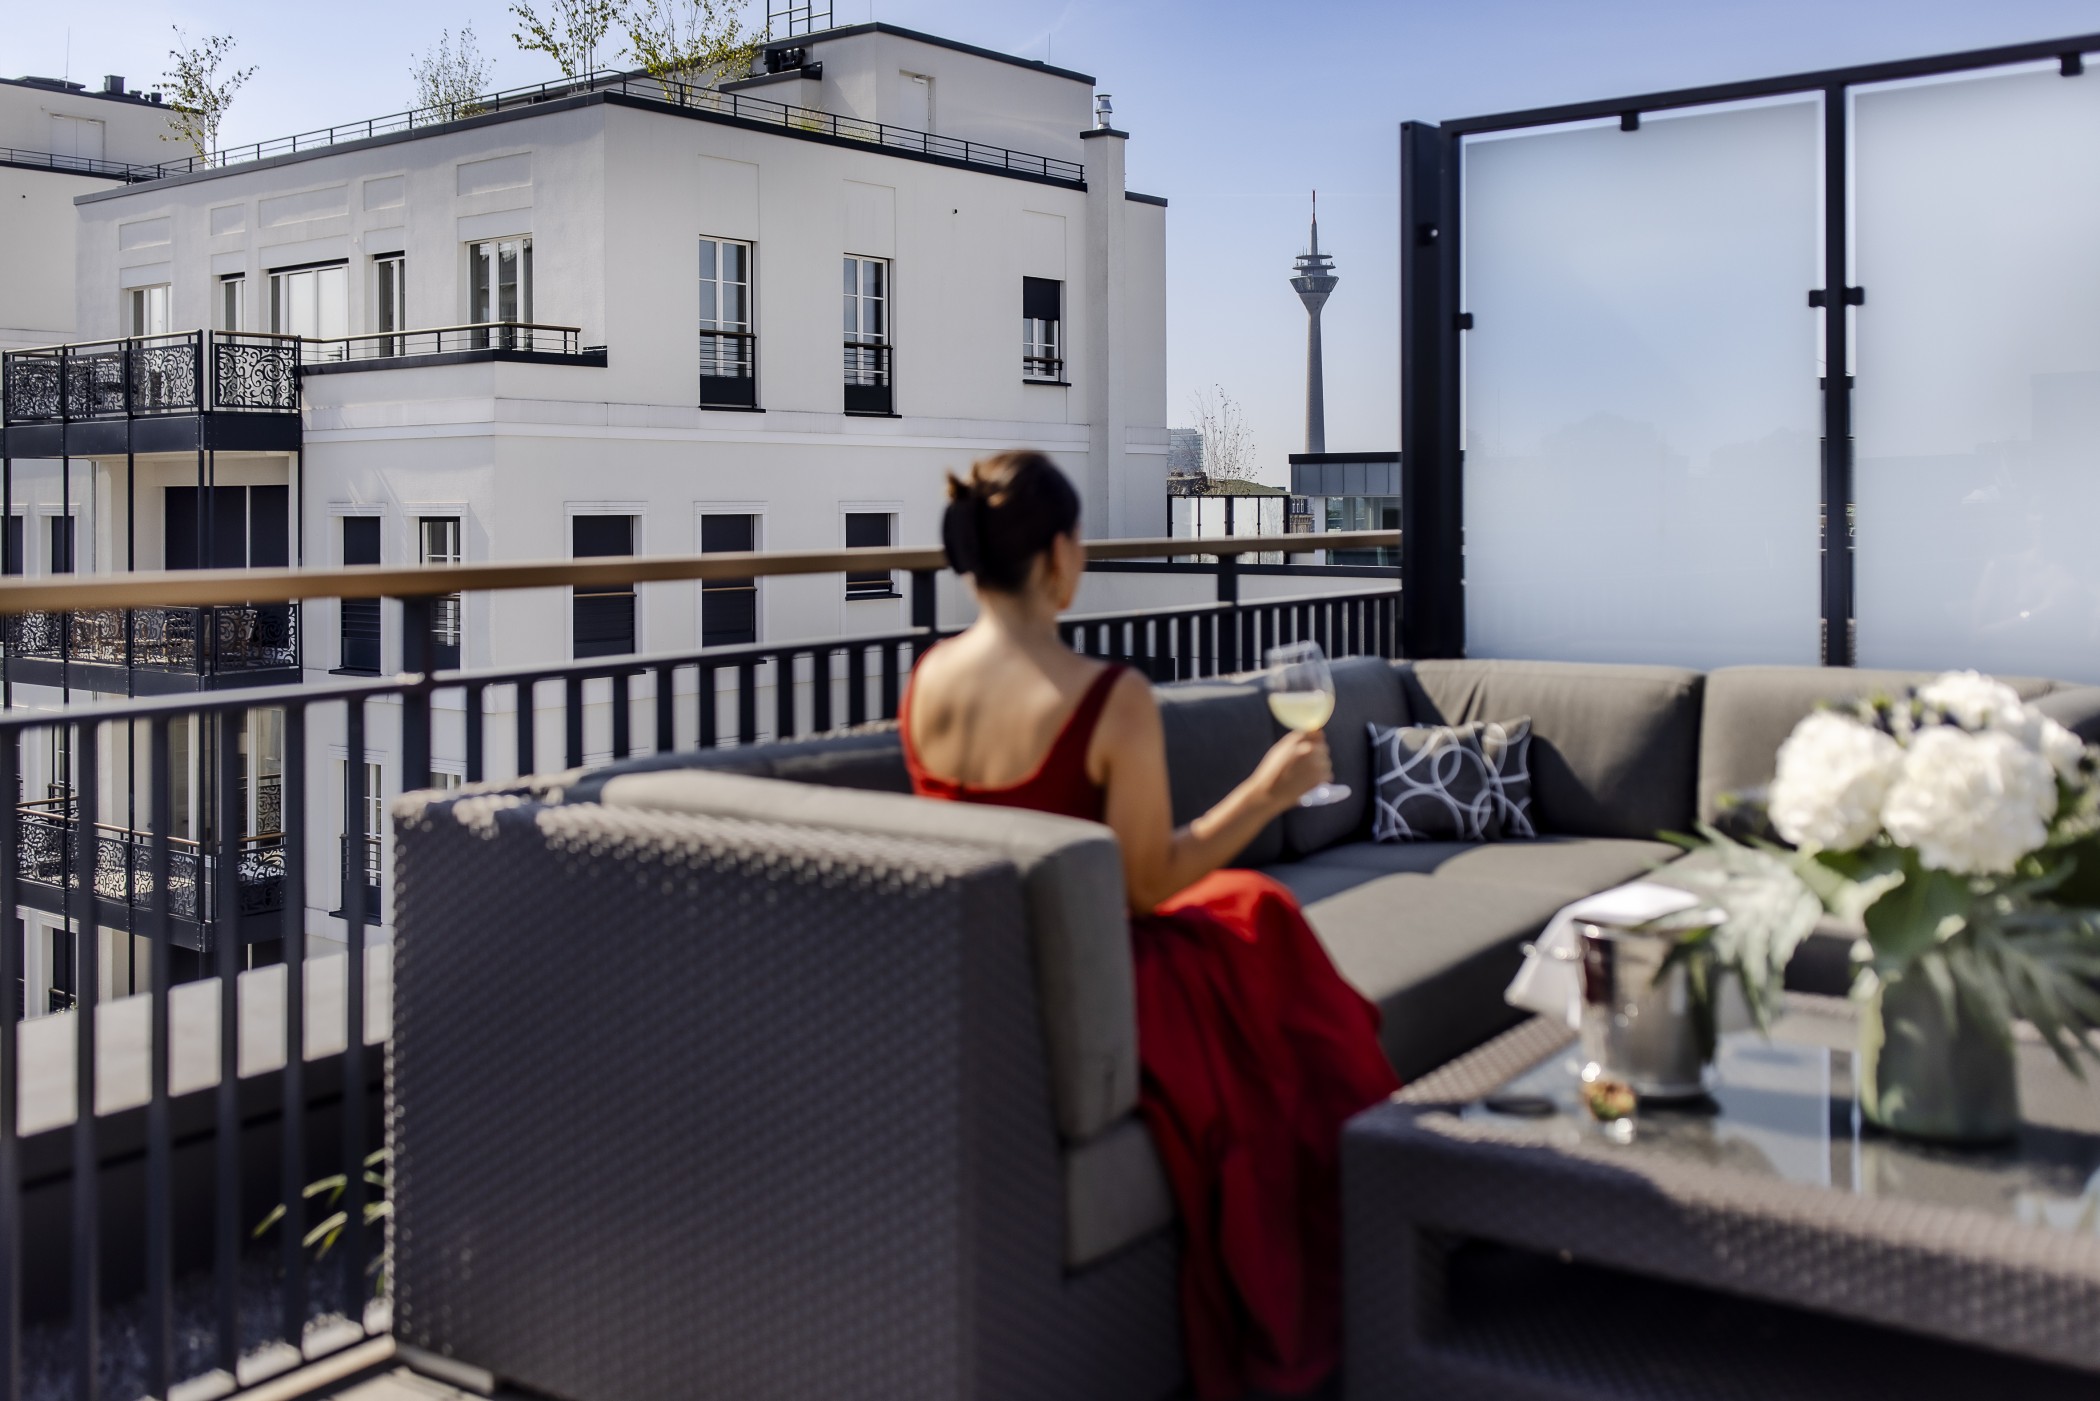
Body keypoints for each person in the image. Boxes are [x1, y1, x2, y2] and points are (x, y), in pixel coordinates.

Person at [900, 451, 1401, 1401]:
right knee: (1266, 922)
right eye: (1078, 539)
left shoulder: (926, 681)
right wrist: (1268, 790)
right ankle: (1385, 1223)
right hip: (1095, 977)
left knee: (1252, 916)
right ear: (1056, 556)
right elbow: (1146, 886)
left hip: (989, 977)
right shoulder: (1106, 695)